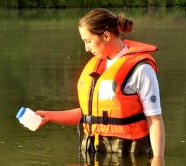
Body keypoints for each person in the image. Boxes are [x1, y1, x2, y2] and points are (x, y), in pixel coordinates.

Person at [34, 8, 165, 165]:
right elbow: (88, 114)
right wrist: (49, 116)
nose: (86, 48)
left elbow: (154, 119)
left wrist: (158, 159)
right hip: (94, 155)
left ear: (106, 36)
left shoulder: (141, 70)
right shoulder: (98, 65)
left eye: (88, 41)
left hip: (129, 157)